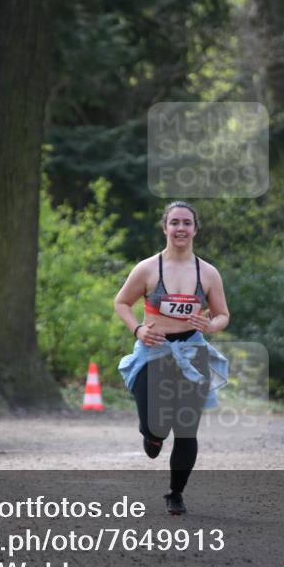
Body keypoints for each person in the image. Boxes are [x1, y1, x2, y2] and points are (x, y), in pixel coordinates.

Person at [115, 201, 229, 515]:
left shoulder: (207, 273)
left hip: (192, 353)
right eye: (175, 222)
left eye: (187, 223)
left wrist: (211, 325)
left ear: (195, 229)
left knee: (186, 427)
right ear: (165, 227)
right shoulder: (148, 269)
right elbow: (122, 302)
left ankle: (175, 493)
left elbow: (222, 315)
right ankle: (152, 436)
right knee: (157, 427)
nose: (181, 228)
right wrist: (137, 329)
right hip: (153, 352)